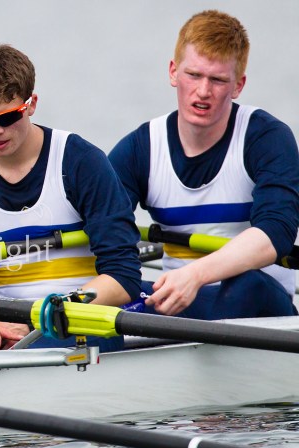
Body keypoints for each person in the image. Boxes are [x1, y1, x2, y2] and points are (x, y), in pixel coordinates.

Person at [0, 43, 141, 353]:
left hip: (79, 318)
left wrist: (49, 312)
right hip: (3, 325)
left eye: (7, 116)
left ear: (31, 105)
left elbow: (123, 277)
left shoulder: (80, 163)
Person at [109, 10, 299, 320]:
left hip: (260, 309)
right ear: (173, 72)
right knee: (122, 286)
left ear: (238, 85)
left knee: (247, 283)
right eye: (194, 75)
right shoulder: (140, 149)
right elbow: (99, 227)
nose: (203, 92)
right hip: (178, 306)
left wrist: (195, 275)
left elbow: (276, 231)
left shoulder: (266, 138)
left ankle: (152, 323)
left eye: (218, 80)